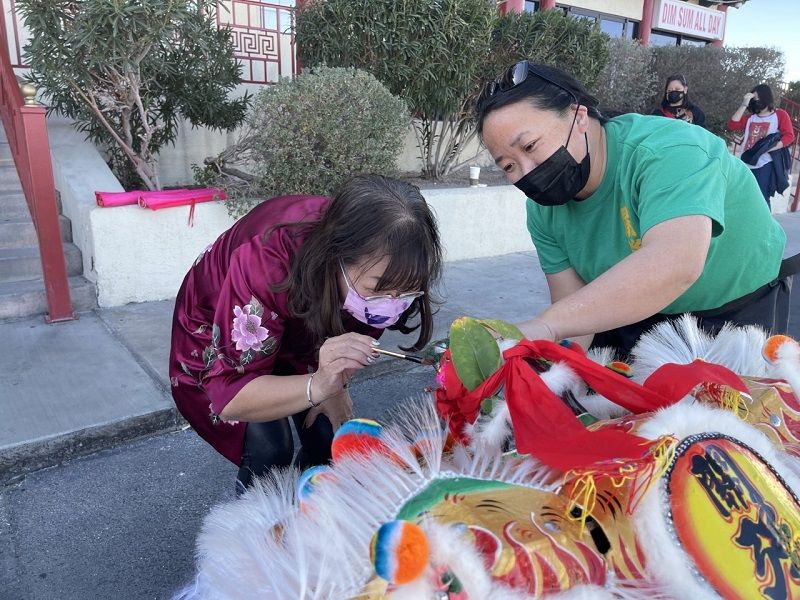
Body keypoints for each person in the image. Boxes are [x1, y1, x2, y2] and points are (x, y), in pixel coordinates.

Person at [475, 60, 790, 357]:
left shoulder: (668, 151)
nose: (527, 170)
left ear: (578, 117)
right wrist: (550, 364)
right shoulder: (543, 211)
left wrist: (546, 325)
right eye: (508, 165)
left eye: (530, 146)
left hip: (731, 312)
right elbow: (573, 316)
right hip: (631, 313)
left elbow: (675, 264)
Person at [168, 174, 442, 493]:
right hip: (221, 329)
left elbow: (356, 327)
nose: (391, 305)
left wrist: (335, 386)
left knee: (330, 439)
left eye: (407, 292)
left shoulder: (385, 273)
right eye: (377, 289)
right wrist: (320, 384)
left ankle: (311, 512)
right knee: (269, 449)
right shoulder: (265, 261)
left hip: (303, 329)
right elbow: (230, 395)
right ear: (337, 257)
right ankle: (264, 530)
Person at [727, 83, 795, 206]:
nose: (755, 101)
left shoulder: (779, 115)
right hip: (746, 162)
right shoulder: (751, 117)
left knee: (762, 199)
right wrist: (744, 103)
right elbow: (732, 125)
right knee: (743, 197)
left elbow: (789, 136)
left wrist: (771, 148)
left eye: (756, 98)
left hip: (764, 164)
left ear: (765, 98)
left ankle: (765, 225)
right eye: (753, 99)